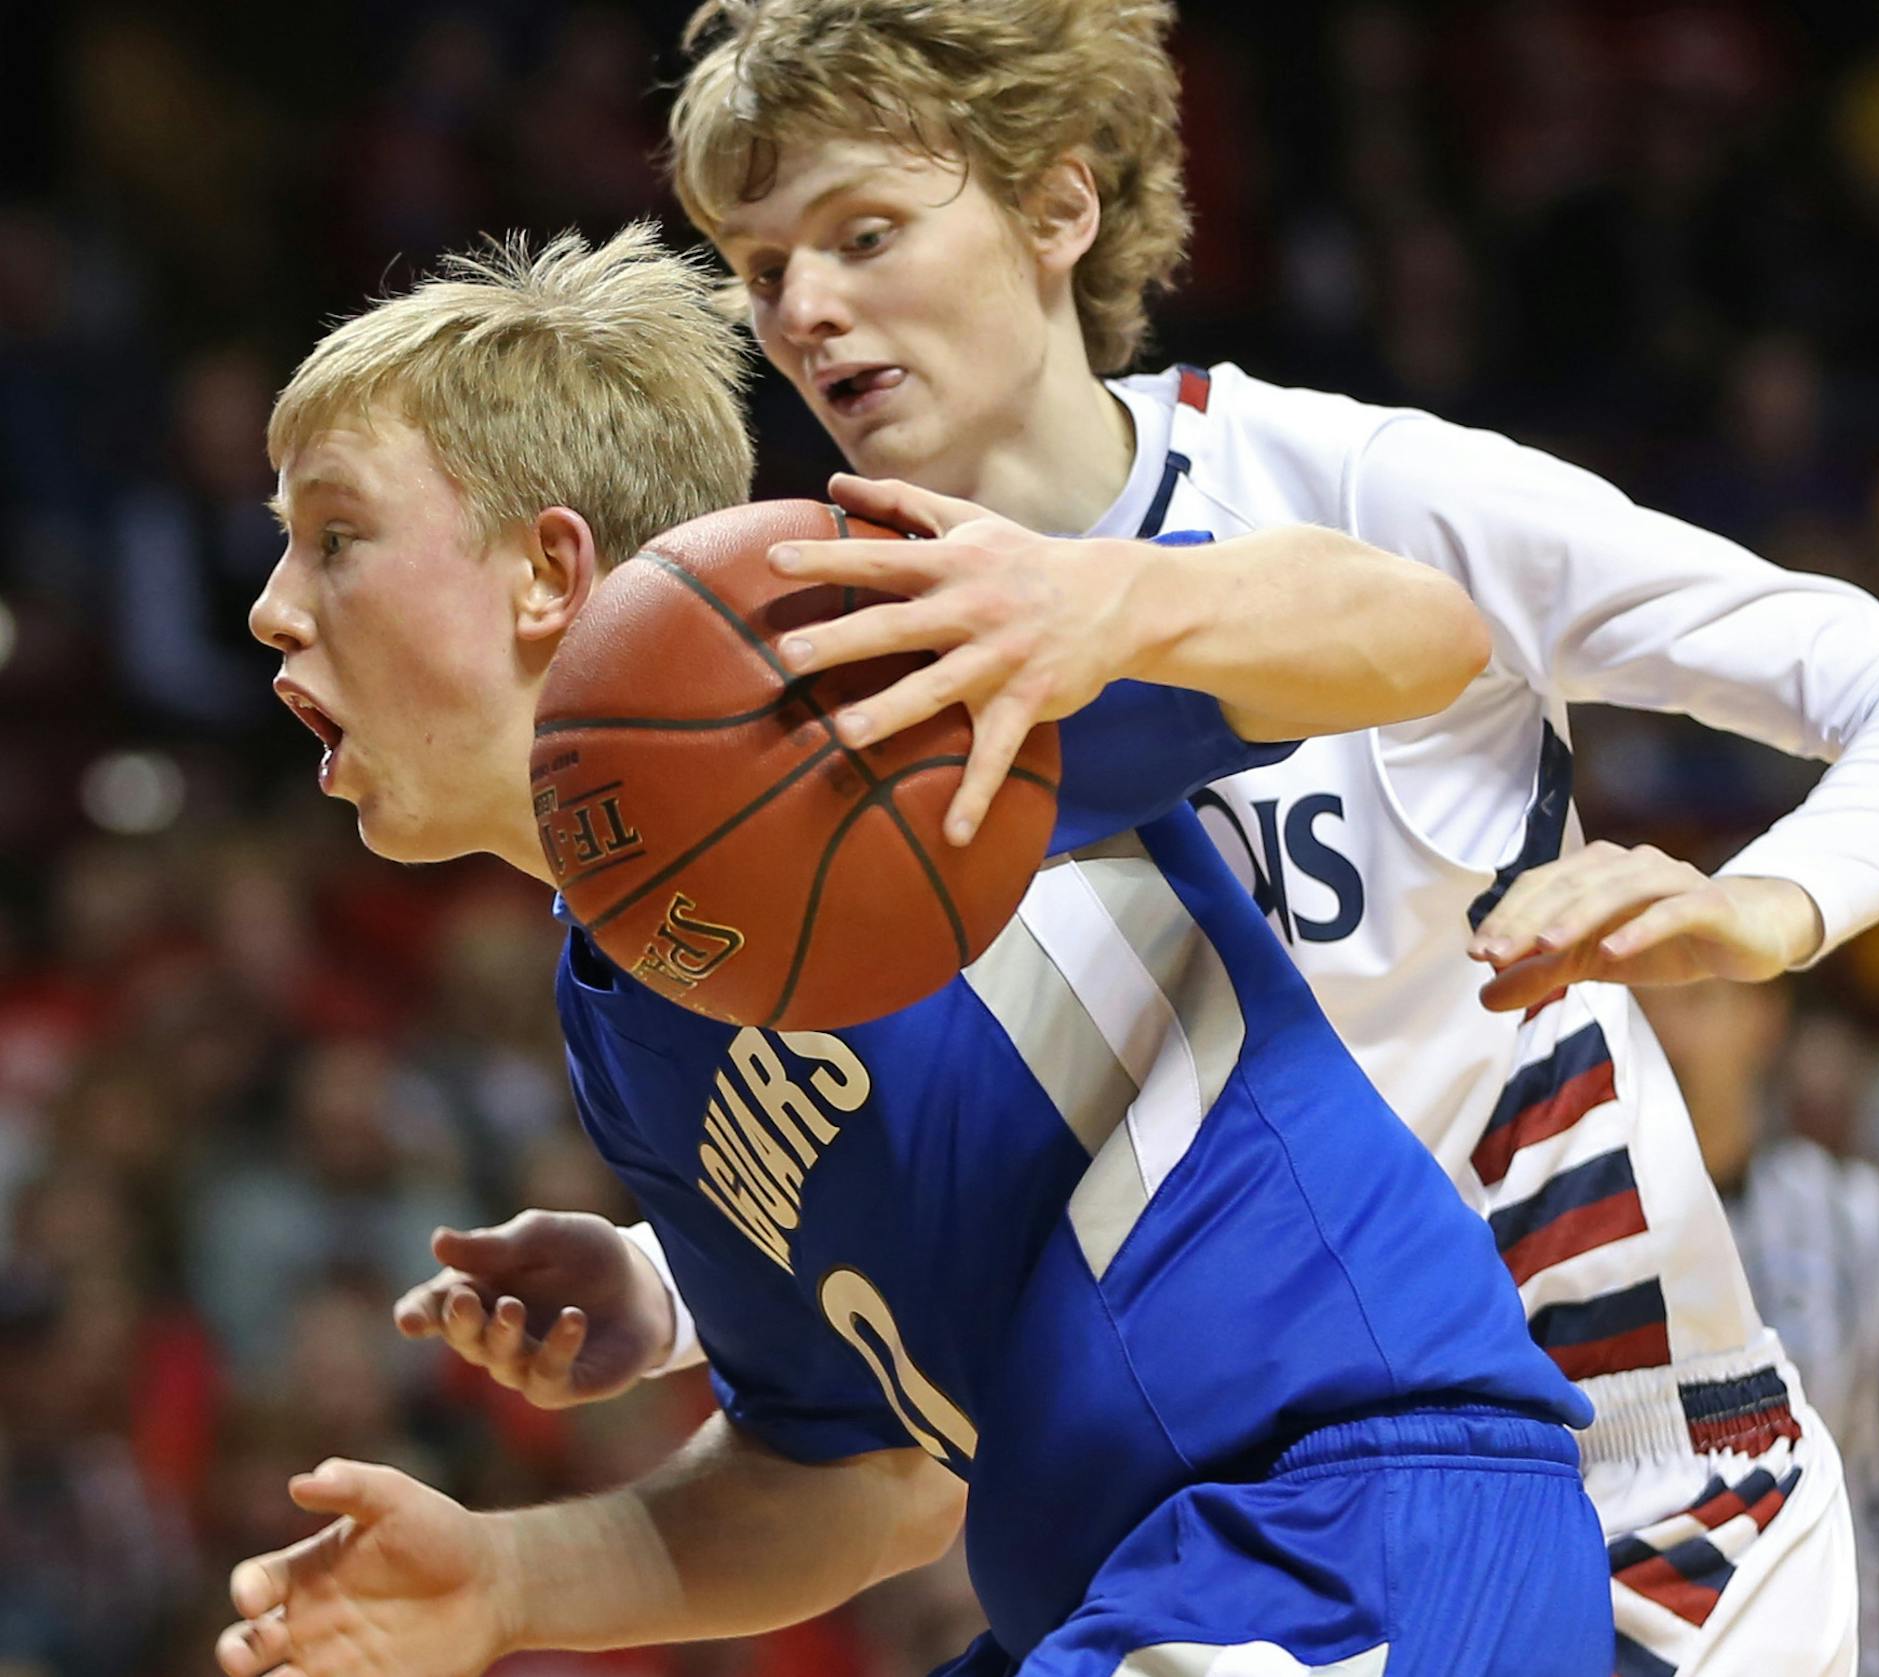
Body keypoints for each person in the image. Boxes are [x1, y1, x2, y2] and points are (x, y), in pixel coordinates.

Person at [399, 5, 1879, 1675]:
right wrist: (681, 1281)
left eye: (865, 234)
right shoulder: (817, 650)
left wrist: (1763, 904)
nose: (808, 308)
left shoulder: (1330, 482)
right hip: (1245, 1529)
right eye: (762, 267)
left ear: (1057, 211)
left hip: (1628, 1501)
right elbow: (1031, 1135)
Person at [215, 225, 1612, 1677]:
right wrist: (509, 1580)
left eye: (334, 536)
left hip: (1340, 1526)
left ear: (545, 570)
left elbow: (1423, 628)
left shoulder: (844, 664)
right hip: (1122, 1597)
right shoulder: (623, 1026)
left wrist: (1104, 599)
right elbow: (858, 1483)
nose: (272, 605)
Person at [1638, 979, 1879, 1677]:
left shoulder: (1869, 1227)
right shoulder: (1529, 1243)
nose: (1666, 1033)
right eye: (1632, 1003)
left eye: (1695, 998)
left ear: (1764, 1014)